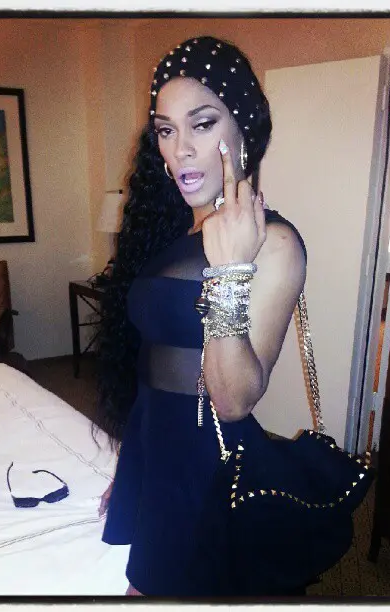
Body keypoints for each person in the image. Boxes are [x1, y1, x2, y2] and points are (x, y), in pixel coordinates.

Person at [94, 36, 307, 597]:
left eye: (202, 124)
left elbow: (233, 401)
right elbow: (151, 367)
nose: (180, 150)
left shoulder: (274, 242)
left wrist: (229, 270)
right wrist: (133, 471)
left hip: (203, 469)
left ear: (244, 130)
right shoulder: (175, 232)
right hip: (156, 451)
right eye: (166, 130)